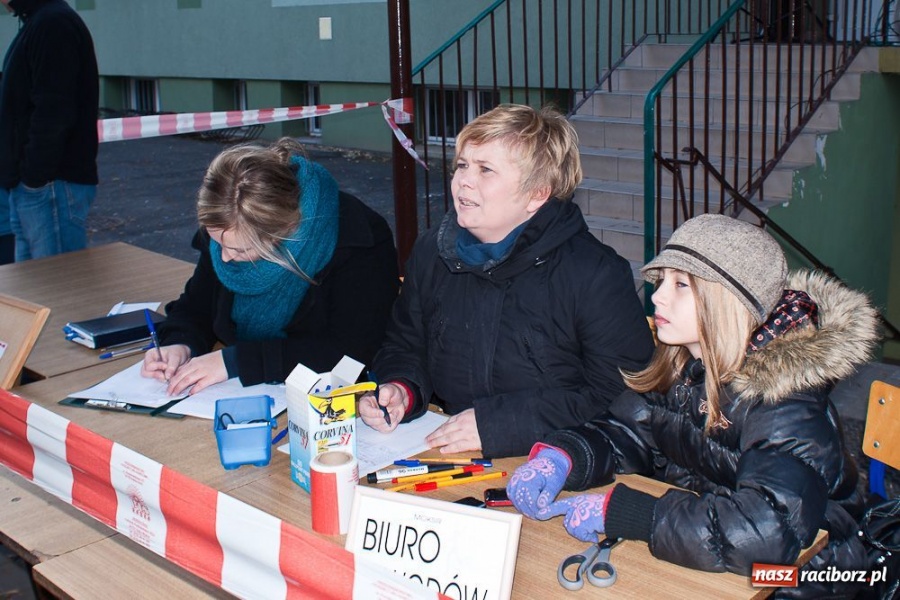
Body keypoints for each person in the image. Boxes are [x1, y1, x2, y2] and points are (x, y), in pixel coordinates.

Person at [507, 214, 881, 598]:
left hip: (807, 577)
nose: (657, 297)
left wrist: (638, 516)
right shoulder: (684, 364)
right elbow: (626, 431)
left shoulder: (786, 405)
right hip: (717, 551)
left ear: (728, 303)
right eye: (662, 280)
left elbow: (766, 531)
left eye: (681, 284)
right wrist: (564, 457)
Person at [358, 104, 654, 458]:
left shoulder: (595, 275)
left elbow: (625, 402)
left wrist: (500, 426)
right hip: (447, 451)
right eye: (462, 165)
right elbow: (405, 343)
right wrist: (402, 388)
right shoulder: (432, 252)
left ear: (537, 194)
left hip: (553, 464)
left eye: (486, 170)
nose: (463, 180)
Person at [141, 138, 400, 395]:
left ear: (285, 232)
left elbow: (352, 352)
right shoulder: (228, 225)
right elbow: (197, 305)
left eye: (240, 249)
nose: (225, 258)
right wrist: (180, 342)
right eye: (217, 243)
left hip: (327, 404)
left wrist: (236, 362)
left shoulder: (359, 240)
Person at [0, 0, 99, 262]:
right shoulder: (39, 22)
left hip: (49, 188)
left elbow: (54, 109)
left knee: (59, 288)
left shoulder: (52, 23)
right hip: (35, 187)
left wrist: (34, 178)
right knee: (35, 291)